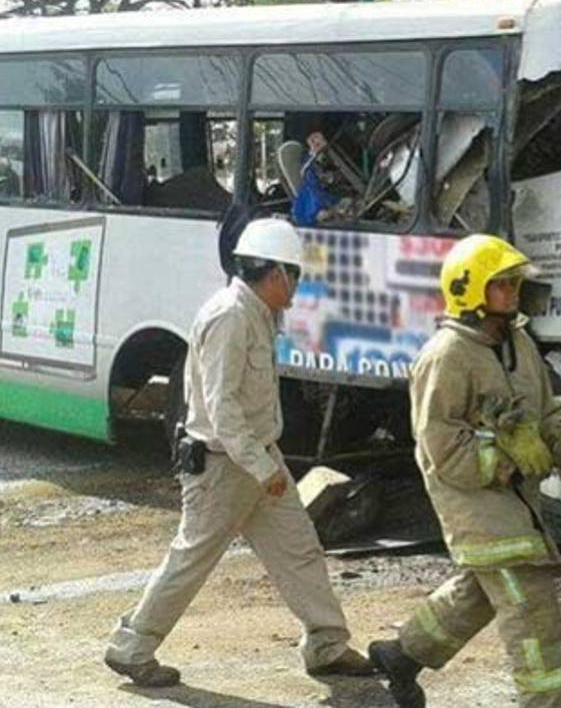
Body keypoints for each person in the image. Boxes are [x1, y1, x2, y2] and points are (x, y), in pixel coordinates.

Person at [104, 218, 375, 687]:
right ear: (276, 273)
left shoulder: (257, 313)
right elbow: (221, 407)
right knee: (192, 558)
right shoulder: (230, 316)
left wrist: (265, 464)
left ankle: (327, 644)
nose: (297, 286)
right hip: (225, 466)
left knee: (299, 550)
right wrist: (262, 467)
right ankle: (131, 647)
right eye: (295, 274)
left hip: (256, 459)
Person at [368, 234, 561, 708]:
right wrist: (508, 460)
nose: (512, 292)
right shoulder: (446, 356)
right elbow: (441, 448)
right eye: (501, 284)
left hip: (515, 505)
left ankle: (402, 656)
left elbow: (548, 411)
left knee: (479, 592)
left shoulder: (519, 343)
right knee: (532, 615)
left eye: (515, 283)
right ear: (468, 288)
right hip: (475, 504)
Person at [291, 130, 337, 227]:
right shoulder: (307, 160)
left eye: (320, 142)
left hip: (323, 192)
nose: (317, 145)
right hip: (312, 194)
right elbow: (307, 174)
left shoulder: (326, 157)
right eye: (314, 142)